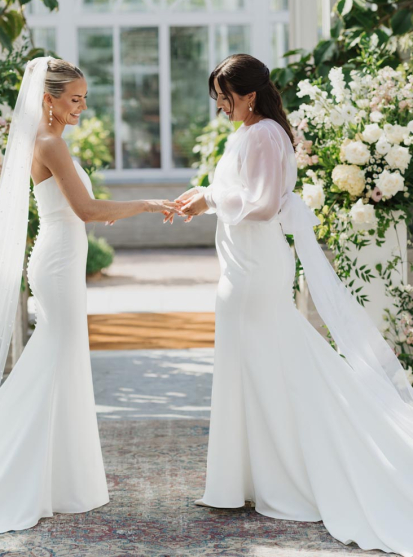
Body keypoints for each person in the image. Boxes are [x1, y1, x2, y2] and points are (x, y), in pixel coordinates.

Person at [172, 54, 413, 557]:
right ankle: (244, 478)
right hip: (244, 264)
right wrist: (206, 194)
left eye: (225, 94)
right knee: (251, 367)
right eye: (216, 94)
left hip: (256, 270)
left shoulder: (263, 135)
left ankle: (283, 477)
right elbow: (245, 194)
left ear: (249, 94)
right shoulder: (251, 133)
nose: (219, 103)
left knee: (265, 368)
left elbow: (260, 205)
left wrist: (209, 199)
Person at [0, 57, 181, 538]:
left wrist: (105, 212)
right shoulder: (49, 143)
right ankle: (13, 469)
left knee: (65, 362)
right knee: (53, 362)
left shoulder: (53, 141)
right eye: (74, 98)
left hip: (63, 261)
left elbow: (80, 211)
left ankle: (61, 480)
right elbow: (88, 209)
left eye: (85, 98)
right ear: (48, 99)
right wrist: (147, 203)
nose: (82, 106)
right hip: (56, 265)